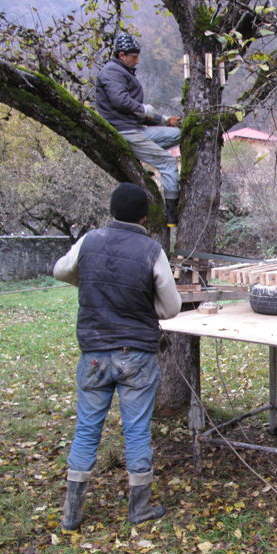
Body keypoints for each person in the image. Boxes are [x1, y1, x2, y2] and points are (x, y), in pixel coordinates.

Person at [54, 182, 182, 531]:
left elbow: (61, 271)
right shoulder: (151, 250)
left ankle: (72, 514)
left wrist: (92, 281)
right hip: (136, 357)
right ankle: (138, 509)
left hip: (94, 355)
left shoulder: (89, 241)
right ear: (144, 216)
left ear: (112, 211)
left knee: (86, 432)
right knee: (137, 431)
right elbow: (171, 308)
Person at [95, 33, 182, 227]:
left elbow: (138, 113)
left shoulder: (122, 72)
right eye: (134, 57)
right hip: (125, 132)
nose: (137, 61)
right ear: (122, 55)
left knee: (180, 134)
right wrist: (144, 109)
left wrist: (166, 121)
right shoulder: (111, 72)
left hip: (136, 129)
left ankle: (170, 191)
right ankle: (172, 216)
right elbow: (121, 101)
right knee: (168, 162)